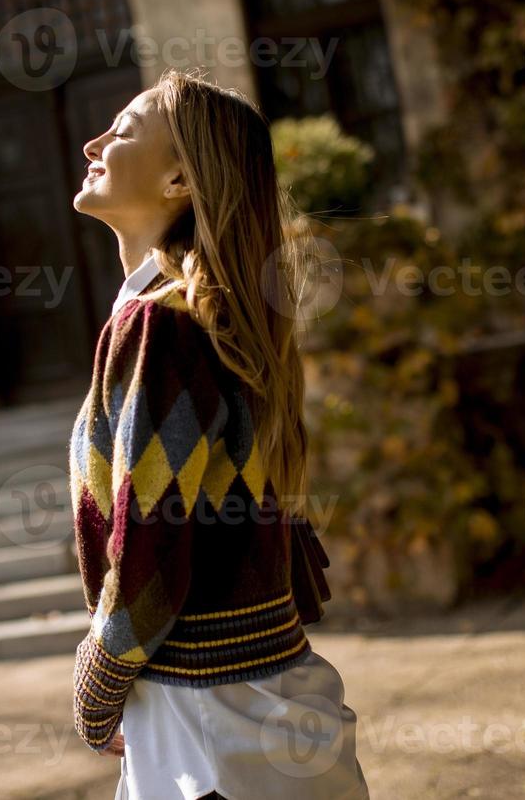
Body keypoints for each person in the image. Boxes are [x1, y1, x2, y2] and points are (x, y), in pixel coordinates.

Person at [67, 67, 371, 799]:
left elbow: (153, 539)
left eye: (125, 130)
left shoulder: (162, 324)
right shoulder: (210, 318)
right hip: (251, 697)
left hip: (206, 727)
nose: (93, 142)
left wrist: (95, 690)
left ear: (180, 179)